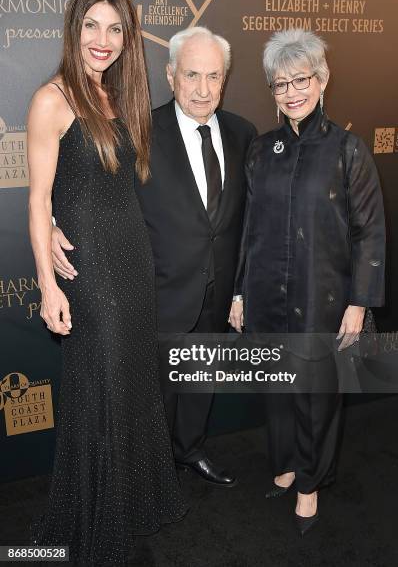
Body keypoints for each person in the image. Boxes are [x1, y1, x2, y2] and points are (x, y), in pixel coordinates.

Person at [52, 26, 257, 487]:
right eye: (192, 76)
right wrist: (49, 224)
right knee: (153, 396)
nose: (203, 89)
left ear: (224, 79)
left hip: (219, 290)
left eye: (214, 77)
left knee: (201, 384)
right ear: (170, 76)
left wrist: (240, 289)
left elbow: (251, 220)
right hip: (156, 291)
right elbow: (89, 187)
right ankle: (152, 472)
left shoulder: (245, 134)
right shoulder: (138, 131)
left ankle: (191, 449)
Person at [27, 0, 186, 564]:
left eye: (115, 28)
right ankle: (93, 518)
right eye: (91, 25)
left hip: (132, 260)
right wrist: (47, 282)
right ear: (74, 28)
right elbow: (38, 196)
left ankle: (129, 503)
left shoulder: (118, 96)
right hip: (90, 270)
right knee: (102, 392)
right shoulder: (54, 98)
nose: (103, 39)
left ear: (128, 37)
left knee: (131, 389)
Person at [229, 29, 385, 535]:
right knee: (278, 391)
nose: (292, 92)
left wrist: (359, 302)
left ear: (323, 80)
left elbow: (369, 232)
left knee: (317, 395)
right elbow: (248, 227)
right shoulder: (259, 150)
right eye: (280, 84)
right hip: (267, 295)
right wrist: (237, 291)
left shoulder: (348, 150)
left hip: (324, 299)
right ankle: (289, 461)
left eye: (302, 79)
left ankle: (310, 484)